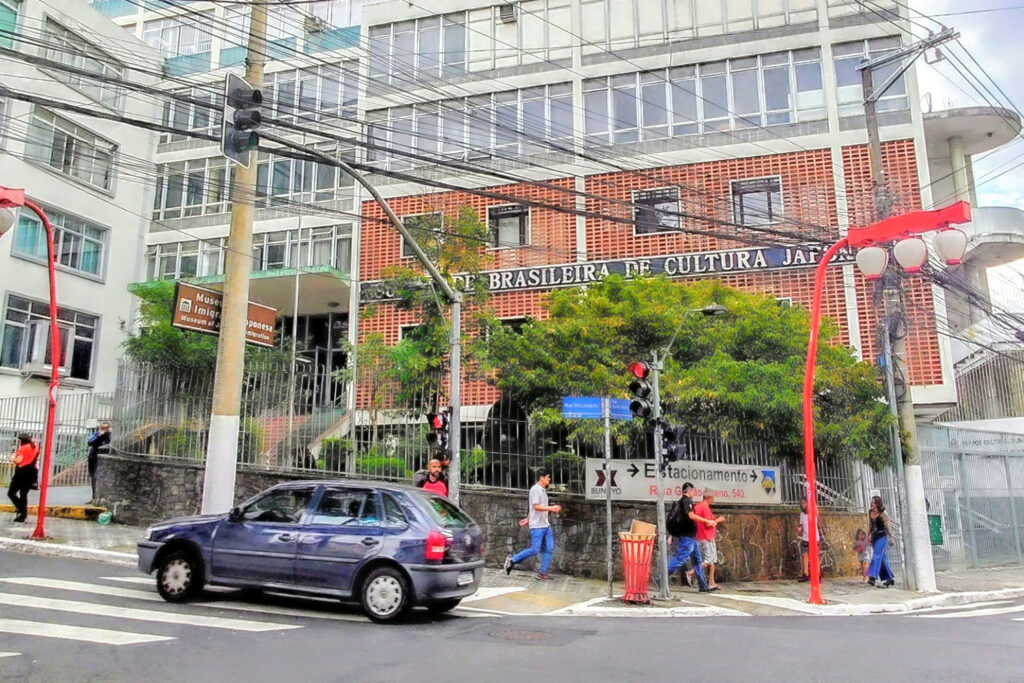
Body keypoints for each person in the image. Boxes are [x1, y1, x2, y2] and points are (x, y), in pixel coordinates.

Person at [504, 469, 562, 580]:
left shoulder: (543, 490)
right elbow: (536, 506)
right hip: (537, 526)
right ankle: (512, 560)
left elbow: (532, 509)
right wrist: (552, 508)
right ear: (541, 477)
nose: (549, 479)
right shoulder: (535, 490)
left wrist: (528, 518)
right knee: (535, 549)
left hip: (545, 524)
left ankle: (542, 573)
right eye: (548, 477)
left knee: (549, 548)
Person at [665, 482, 716, 593]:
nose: (694, 492)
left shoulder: (686, 502)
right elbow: (691, 516)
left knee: (697, 560)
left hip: (692, 537)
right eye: (693, 491)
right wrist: (707, 520)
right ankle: (661, 577)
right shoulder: (686, 501)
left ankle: (703, 585)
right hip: (687, 537)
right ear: (688, 491)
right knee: (681, 558)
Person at [694, 493, 726, 589]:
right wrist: (718, 520)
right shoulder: (705, 508)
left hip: (699, 536)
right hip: (707, 537)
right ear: (709, 497)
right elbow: (708, 524)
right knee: (708, 561)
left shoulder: (697, 507)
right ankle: (691, 572)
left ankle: (711, 582)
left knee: (712, 560)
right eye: (712, 497)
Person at [7, 433, 40, 523]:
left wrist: (11, 459)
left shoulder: (23, 448)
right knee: (23, 494)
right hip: (32, 472)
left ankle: (22, 510)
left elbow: (18, 461)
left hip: (22, 473)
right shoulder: (35, 447)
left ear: (22, 441)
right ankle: (22, 514)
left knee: (11, 493)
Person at [867, 496, 895, 588]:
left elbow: (887, 526)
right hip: (875, 536)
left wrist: (891, 537)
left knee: (876, 555)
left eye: (874, 503)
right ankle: (889, 578)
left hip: (882, 537)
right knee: (882, 558)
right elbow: (870, 525)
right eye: (872, 502)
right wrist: (868, 536)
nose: (872, 504)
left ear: (877, 504)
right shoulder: (870, 512)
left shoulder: (883, 513)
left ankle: (872, 576)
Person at [87, 422, 111, 503]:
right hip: (94, 458)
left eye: (106, 428)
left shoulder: (110, 436)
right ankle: (94, 498)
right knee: (94, 477)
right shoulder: (97, 434)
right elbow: (90, 442)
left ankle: (102, 499)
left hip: (105, 460)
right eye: (103, 428)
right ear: (100, 428)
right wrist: (100, 435)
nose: (105, 430)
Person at [797, 498, 820, 582]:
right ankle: (805, 574)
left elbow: (816, 511)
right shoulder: (802, 514)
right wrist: (800, 528)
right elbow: (801, 524)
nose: (803, 505)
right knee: (805, 556)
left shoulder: (813, 512)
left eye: (805, 503)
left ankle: (817, 574)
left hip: (814, 537)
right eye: (802, 503)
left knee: (815, 557)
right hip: (805, 537)